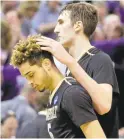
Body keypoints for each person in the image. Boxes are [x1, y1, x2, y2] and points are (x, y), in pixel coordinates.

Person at [36, 2, 119, 138]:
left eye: (61, 22)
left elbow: (104, 105)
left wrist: (69, 61)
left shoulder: (100, 59)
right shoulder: (71, 67)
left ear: (78, 25)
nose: (56, 29)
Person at [10, 36, 106, 138]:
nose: (29, 82)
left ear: (46, 64)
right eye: (26, 77)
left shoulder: (71, 93)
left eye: (31, 75)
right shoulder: (54, 95)